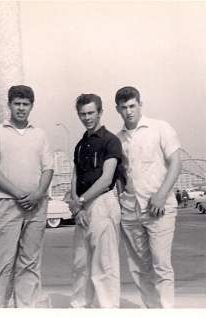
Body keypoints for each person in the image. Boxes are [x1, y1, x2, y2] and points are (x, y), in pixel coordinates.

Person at [0, 85, 54, 308]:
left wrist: (39, 193)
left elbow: (48, 168)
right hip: (7, 203)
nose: (21, 108)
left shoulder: (39, 134)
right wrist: (18, 193)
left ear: (32, 106)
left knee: (30, 262)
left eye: (26, 104)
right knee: (2, 263)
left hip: (37, 205)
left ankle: (26, 308)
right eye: (17, 103)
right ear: (9, 105)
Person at [115, 86, 182, 308]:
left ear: (140, 105)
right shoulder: (117, 140)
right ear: (118, 110)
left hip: (158, 209)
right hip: (130, 211)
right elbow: (120, 177)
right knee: (139, 268)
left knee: (161, 265)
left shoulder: (160, 128)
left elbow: (176, 163)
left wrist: (161, 195)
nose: (129, 111)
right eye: (124, 108)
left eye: (132, 106)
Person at [69, 94, 124, 308]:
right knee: (81, 265)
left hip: (103, 204)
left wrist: (81, 200)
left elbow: (106, 179)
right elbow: (75, 175)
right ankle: (79, 307)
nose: (87, 117)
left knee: (105, 267)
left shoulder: (111, 141)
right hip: (82, 208)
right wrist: (76, 204)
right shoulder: (80, 145)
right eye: (82, 114)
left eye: (91, 113)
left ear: (100, 113)